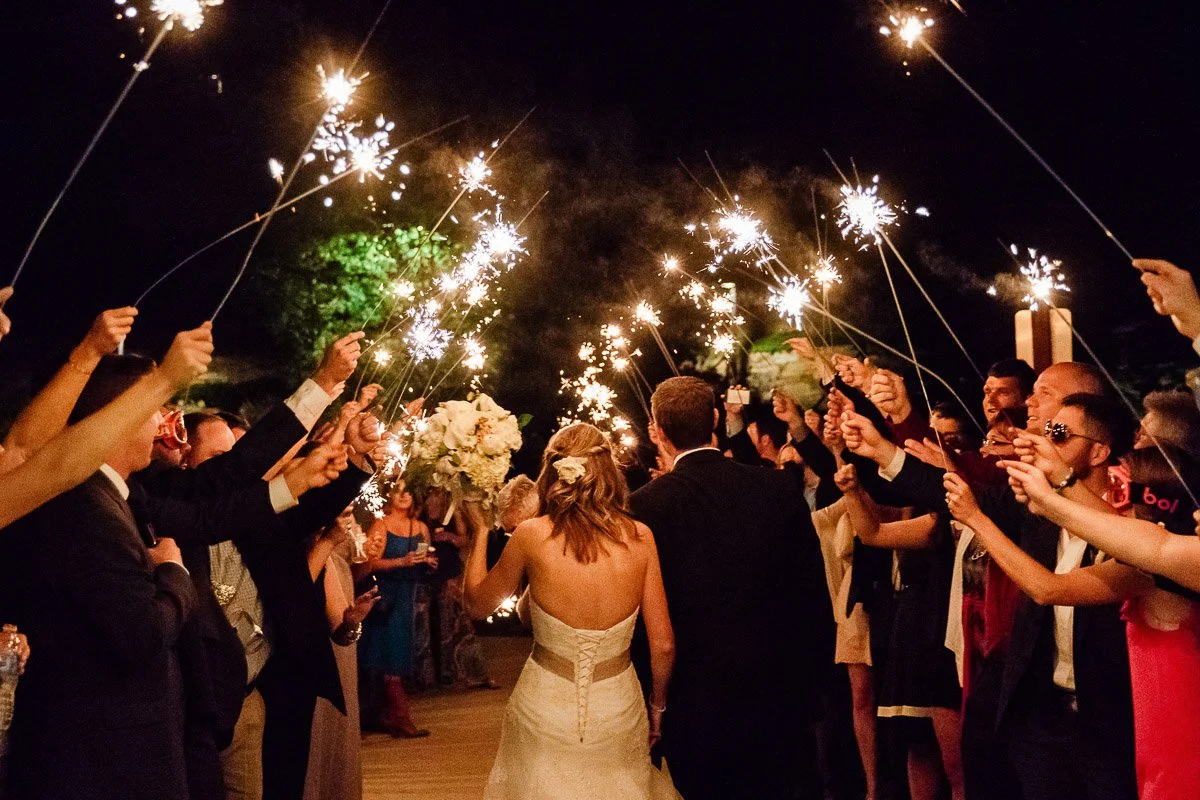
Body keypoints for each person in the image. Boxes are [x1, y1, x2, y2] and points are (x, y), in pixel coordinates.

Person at [1, 354, 201, 800]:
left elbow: (23, 451)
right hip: (101, 758)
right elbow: (141, 635)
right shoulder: (85, 508)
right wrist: (173, 572)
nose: (161, 426)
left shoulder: (115, 498)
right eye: (152, 412)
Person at [629, 376, 834, 800]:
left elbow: (641, 614)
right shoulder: (776, 488)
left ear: (659, 432)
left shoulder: (645, 506)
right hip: (778, 694)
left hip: (693, 701)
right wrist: (815, 689)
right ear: (717, 419)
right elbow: (812, 593)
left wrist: (652, 700)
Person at [463, 422, 680, 800]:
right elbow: (662, 644)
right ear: (607, 470)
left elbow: (476, 605)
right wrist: (657, 706)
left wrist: (481, 531)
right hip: (618, 704)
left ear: (553, 472)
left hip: (544, 703)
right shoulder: (641, 537)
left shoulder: (531, 535)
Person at [0, 321, 214, 528]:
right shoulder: (89, 508)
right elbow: (54, 466)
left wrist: (90, 350)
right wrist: (165, 381)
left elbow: (21, 450)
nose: (5, 325)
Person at [304, 509, 380, 800]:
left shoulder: (343, 523)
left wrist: (351, 621)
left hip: (340, 608)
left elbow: (354, 567)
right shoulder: (305, 539)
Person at [359, 480, 431, 738]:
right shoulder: (381, 524)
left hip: (407, 596)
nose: (403, 495)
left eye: (408, 490)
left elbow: (424, 556)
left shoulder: (420, 527)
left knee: (399, 654)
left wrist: (428, 562)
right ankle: (400, 717)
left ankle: (388, 716)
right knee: (387, 655)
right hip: (386, 598)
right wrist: (403, 561)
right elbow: (368, 564)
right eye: (398, 490)